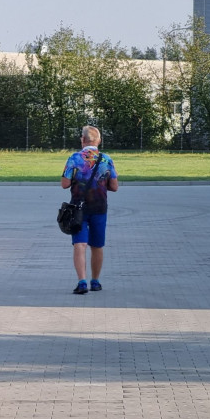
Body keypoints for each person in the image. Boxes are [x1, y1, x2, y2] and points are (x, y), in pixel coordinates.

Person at [61, 126, 119, 294]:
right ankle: (95, 281)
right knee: (97, 245)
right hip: (99, 207)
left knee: (80, 244)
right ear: (98, 140)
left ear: (82, 139)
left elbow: (65, 184)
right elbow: (114, 186)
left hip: (78, 209)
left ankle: (82, 282)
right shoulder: (106, 159)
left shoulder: (74, 158)